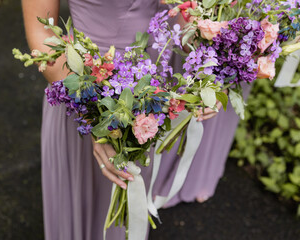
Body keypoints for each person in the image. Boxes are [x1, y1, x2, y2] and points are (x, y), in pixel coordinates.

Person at [22, 0, 248, 239]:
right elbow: (41, 34)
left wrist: (204, 59)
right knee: (94, 195)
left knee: (134, 191)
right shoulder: (89, 103)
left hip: (154, 80)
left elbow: (183, 10)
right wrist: (93, 117)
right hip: (87, 86)